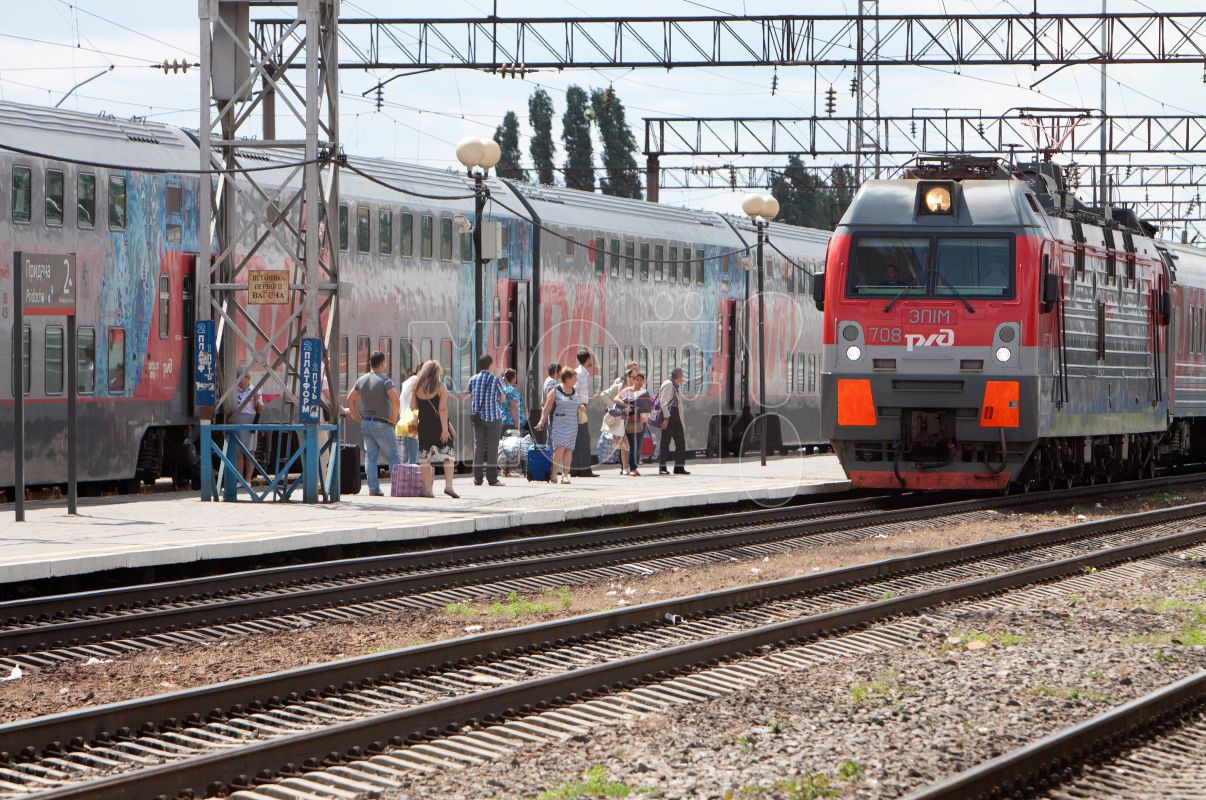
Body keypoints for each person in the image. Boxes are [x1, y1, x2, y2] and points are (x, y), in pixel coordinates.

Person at [346, 351, 401, 496]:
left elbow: (350, 399)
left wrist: (356, 415)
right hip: (382, 423)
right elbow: (396, 399)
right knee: (393, 456)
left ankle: (373, 489)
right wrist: (394, 418)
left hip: (367, 423)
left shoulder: (362, 380)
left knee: (370, 457)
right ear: (382, 363)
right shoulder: (385, 380)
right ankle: (396, 489)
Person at [412, 360, 458, 499]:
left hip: (424, 426)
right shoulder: (441, 387)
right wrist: (445, 430)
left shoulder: (416, 386)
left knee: (425, 459)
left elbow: (413, 406)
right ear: (437, 372)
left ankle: (428, 491)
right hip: (439, 425)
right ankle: (449, 486)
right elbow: (442, 409)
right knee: (448, 457)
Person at [535, 366, 583, 485]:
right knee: (559, 448)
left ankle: (565, 475)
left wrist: (582, 407)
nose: (576, 380)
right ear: (567, 379)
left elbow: (579, 404)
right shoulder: (555, 390)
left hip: (572, 424)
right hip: (559, 423)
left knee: (569, 449)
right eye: (574, 378)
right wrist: (542, 421)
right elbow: (547, 407)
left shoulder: (576, 391)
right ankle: (554, 474)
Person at [467, 354, 506, 487]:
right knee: (492, 449)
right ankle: (492, 479)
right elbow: (503, 398)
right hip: (493, 418)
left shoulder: (473, 379)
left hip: (478, 419)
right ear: (490, 365)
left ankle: (477, 479)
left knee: (478, 448)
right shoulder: (495, 380)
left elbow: (471, 396)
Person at [571, 349, 600, 478]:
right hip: (579, 409)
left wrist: (588, 398)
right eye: (590, 358)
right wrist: (580, 404)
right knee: (583, 439)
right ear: (587, 359)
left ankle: (576, 469)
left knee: (579, 439)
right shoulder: (580, 373)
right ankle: (584, 469)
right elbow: (574, 390)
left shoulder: (582, 372)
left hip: (580, 406)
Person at [232, 366, 263, 483]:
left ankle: (248, 480)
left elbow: (260, 407)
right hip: (237, 420)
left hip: (250, 421)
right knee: (238, 452)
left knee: (250, 451)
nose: (240, 380)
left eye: (242, 377)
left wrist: (257, 402)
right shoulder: (234, 390)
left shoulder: (255, 391)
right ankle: (240, 480)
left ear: (248, 378)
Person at [615, 372, 650, 476]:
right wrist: (626, 404)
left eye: (641, 380)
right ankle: (632, 469)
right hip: (629, 422)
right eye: (637, 379)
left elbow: (648, 406)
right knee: (633, 445)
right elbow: (616, 399)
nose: (639, 382)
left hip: (642, 422)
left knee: (638, 446)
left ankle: (634, 467)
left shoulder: (644, 392)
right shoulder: (627, 390)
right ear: (633, 380)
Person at [657, 367, 690, 475]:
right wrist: (666, 418)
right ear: (679, 376)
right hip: (669, 416)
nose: (683, 378)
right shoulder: (668, 384)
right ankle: (662, 468)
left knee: (680, 442)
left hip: (676, 416)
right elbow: (663, 402)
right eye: (682, 376)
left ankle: (679, 467)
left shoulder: (677, 386)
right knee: (665, 442)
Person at [396, 369, 419, 465]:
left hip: (403, 420)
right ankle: (410, 477)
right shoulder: (416, 380)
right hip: (412, 421)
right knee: (412, 454)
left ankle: (405, 476)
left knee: (405, 455)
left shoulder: (406, 385)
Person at [500, 368, 525, 433]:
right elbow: (514, 407)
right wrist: (517, 423)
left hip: (503, 421)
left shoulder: (502, 389)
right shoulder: (512, 391)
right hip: (511, 423)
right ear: (514, 378)